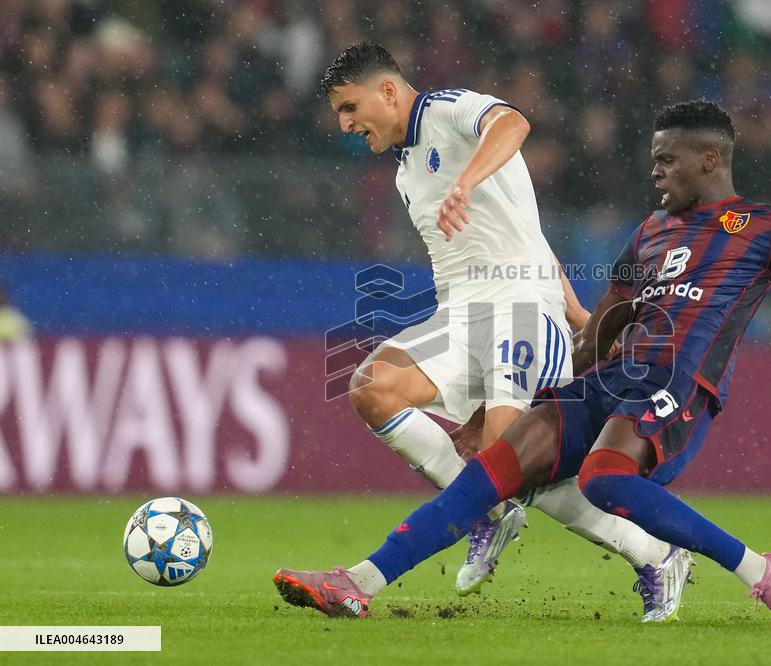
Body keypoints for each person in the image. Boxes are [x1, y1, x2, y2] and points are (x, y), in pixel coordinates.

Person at [273, 99, 771, 627]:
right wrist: (538, 400)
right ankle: (354, 583)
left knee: (604, 477)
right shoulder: (653, 229)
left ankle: (762, 571)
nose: (655, 171)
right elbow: (606, 324)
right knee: (490, 472)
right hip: (613, 377)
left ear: (709, 159)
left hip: (681, 384)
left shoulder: (769, 227)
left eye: (667, 159)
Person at [275, 42, 692, 621]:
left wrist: (465, 182)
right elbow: (530, 236)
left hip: (520, 309)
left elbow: (514, 121)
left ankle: (654, 554)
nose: (346, 125)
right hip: (460, 314)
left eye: (350, 108)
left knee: (511, 463)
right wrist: (582, 318)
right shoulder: (403, 171)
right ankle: (486, 513)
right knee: (373, 386)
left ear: (389, 92)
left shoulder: (445, 110)